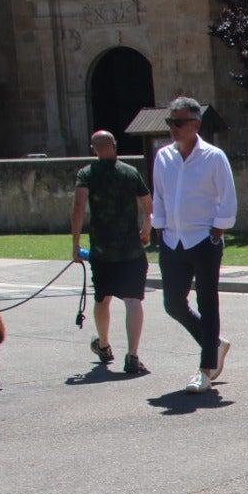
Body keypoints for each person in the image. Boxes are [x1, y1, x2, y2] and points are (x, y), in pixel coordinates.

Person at [151, 96, 237, 394]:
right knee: (173, 304)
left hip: (204, 239)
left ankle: (205, 370)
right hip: (172, 240)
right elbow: (159, 195)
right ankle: (214, 344)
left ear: (195, 124)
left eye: (179, 122)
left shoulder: (213, 157)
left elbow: (227, 198)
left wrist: (217, 230)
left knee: (207, 302)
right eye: (170, 122)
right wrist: (159, 228)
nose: (173, 128)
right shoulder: (163, 157)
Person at [71, 130, 152, 375]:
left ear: (93, 148)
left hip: (102, 250)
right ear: (114, 146)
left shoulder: (86, 174)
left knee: (102, 298)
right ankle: (133, 355)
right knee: (133, 300)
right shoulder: (130, 172)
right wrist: (146, 231)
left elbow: (78, 209)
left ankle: (104, 345)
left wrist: (75, 244)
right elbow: (148, 206)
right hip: (131, 249)